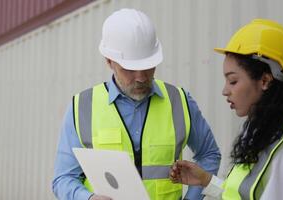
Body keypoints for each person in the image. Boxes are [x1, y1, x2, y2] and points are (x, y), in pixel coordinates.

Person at [52, 8, 221, 200]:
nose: (141, 77)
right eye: (130, 69)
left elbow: (209, 154)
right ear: (109, 61)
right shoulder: (82, 107)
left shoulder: (179, 101)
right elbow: (63, 178)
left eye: (148, 66)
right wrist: (88, 198)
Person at [169, 19, 283, 200]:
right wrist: (207, 181)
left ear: (264, 80)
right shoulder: (265, 132)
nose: (225, 91)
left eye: (233, 81)